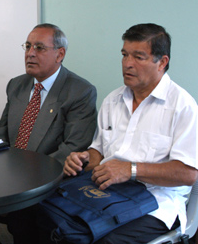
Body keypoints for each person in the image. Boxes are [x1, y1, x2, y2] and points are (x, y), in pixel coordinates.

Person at [62, 23, 198, 243]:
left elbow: (188, 174)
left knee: (105, 240)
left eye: (139, 57)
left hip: (156, 202)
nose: (128, 64)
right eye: (125, 55)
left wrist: (131, 170)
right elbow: (98, 151)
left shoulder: (183, 107)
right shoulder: (112, 100)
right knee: (52, 216)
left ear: (162, 62)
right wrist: (84, 158)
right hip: (108, 190)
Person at [0, 23, 97, 163]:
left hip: (48, 174)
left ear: (60, 55)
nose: (30, 53)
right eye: (28, 46)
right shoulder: (16, 85)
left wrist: (30, 170)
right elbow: (2, 131)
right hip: (10, 169)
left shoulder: (80, 92)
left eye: (39, 48)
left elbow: (73, 147)